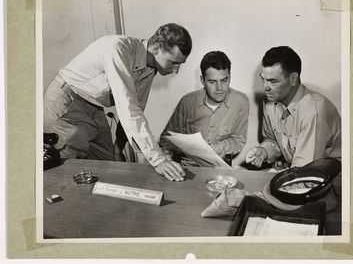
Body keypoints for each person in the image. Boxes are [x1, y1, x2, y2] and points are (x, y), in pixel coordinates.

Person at [44, 23, 192, 181]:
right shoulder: (118, 49)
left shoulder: (149, 69)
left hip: (93, 105)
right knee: (66, 173)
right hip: (66, 100)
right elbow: (129, 110)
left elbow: (136, 109)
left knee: (108, 165)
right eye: (173, 62)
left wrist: (118, 149)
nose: (176, 70)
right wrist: (158, 160)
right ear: (156, 48)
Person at [245, 46, 341, 169]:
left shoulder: (313, 112)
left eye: (273, 81)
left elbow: (304, 172)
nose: (265, 87)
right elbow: (273, 140)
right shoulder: (271, 101)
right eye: (263, 79)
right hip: (298, 169)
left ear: (293, 79)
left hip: (332, 177)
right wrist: (264, 151)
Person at [157, 50, 250, 166]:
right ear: (202, 81)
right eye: (212, 82)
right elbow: (166, 139)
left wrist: (212, 150)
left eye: (224, 80)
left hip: (220, 169)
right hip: (189, 168)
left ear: (230, 77)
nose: (219, 88)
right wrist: (167, 155)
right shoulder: (187, 102)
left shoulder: (241, 101)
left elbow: (238, 140)